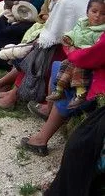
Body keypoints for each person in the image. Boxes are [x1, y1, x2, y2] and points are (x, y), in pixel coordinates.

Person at [21, 31, 105, 160]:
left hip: (99, 86)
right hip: (96, 70)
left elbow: (92, 55)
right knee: (60, 67)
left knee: (68, 79)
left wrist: (73, 51)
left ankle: (42, 136)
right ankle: (49, 115)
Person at [46, 0, 105, 108]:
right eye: (94, 11)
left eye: (103, 14)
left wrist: (79, 50)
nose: (97, 16)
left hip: (86, 57)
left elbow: (95, 48)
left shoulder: (101, 31)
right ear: (87, 12)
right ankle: (59, 89)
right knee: (64, 64)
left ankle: (80, 93)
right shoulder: (82, 23)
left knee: (78, 69)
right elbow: (74, 32)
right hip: (77, 54)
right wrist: (68, 37)